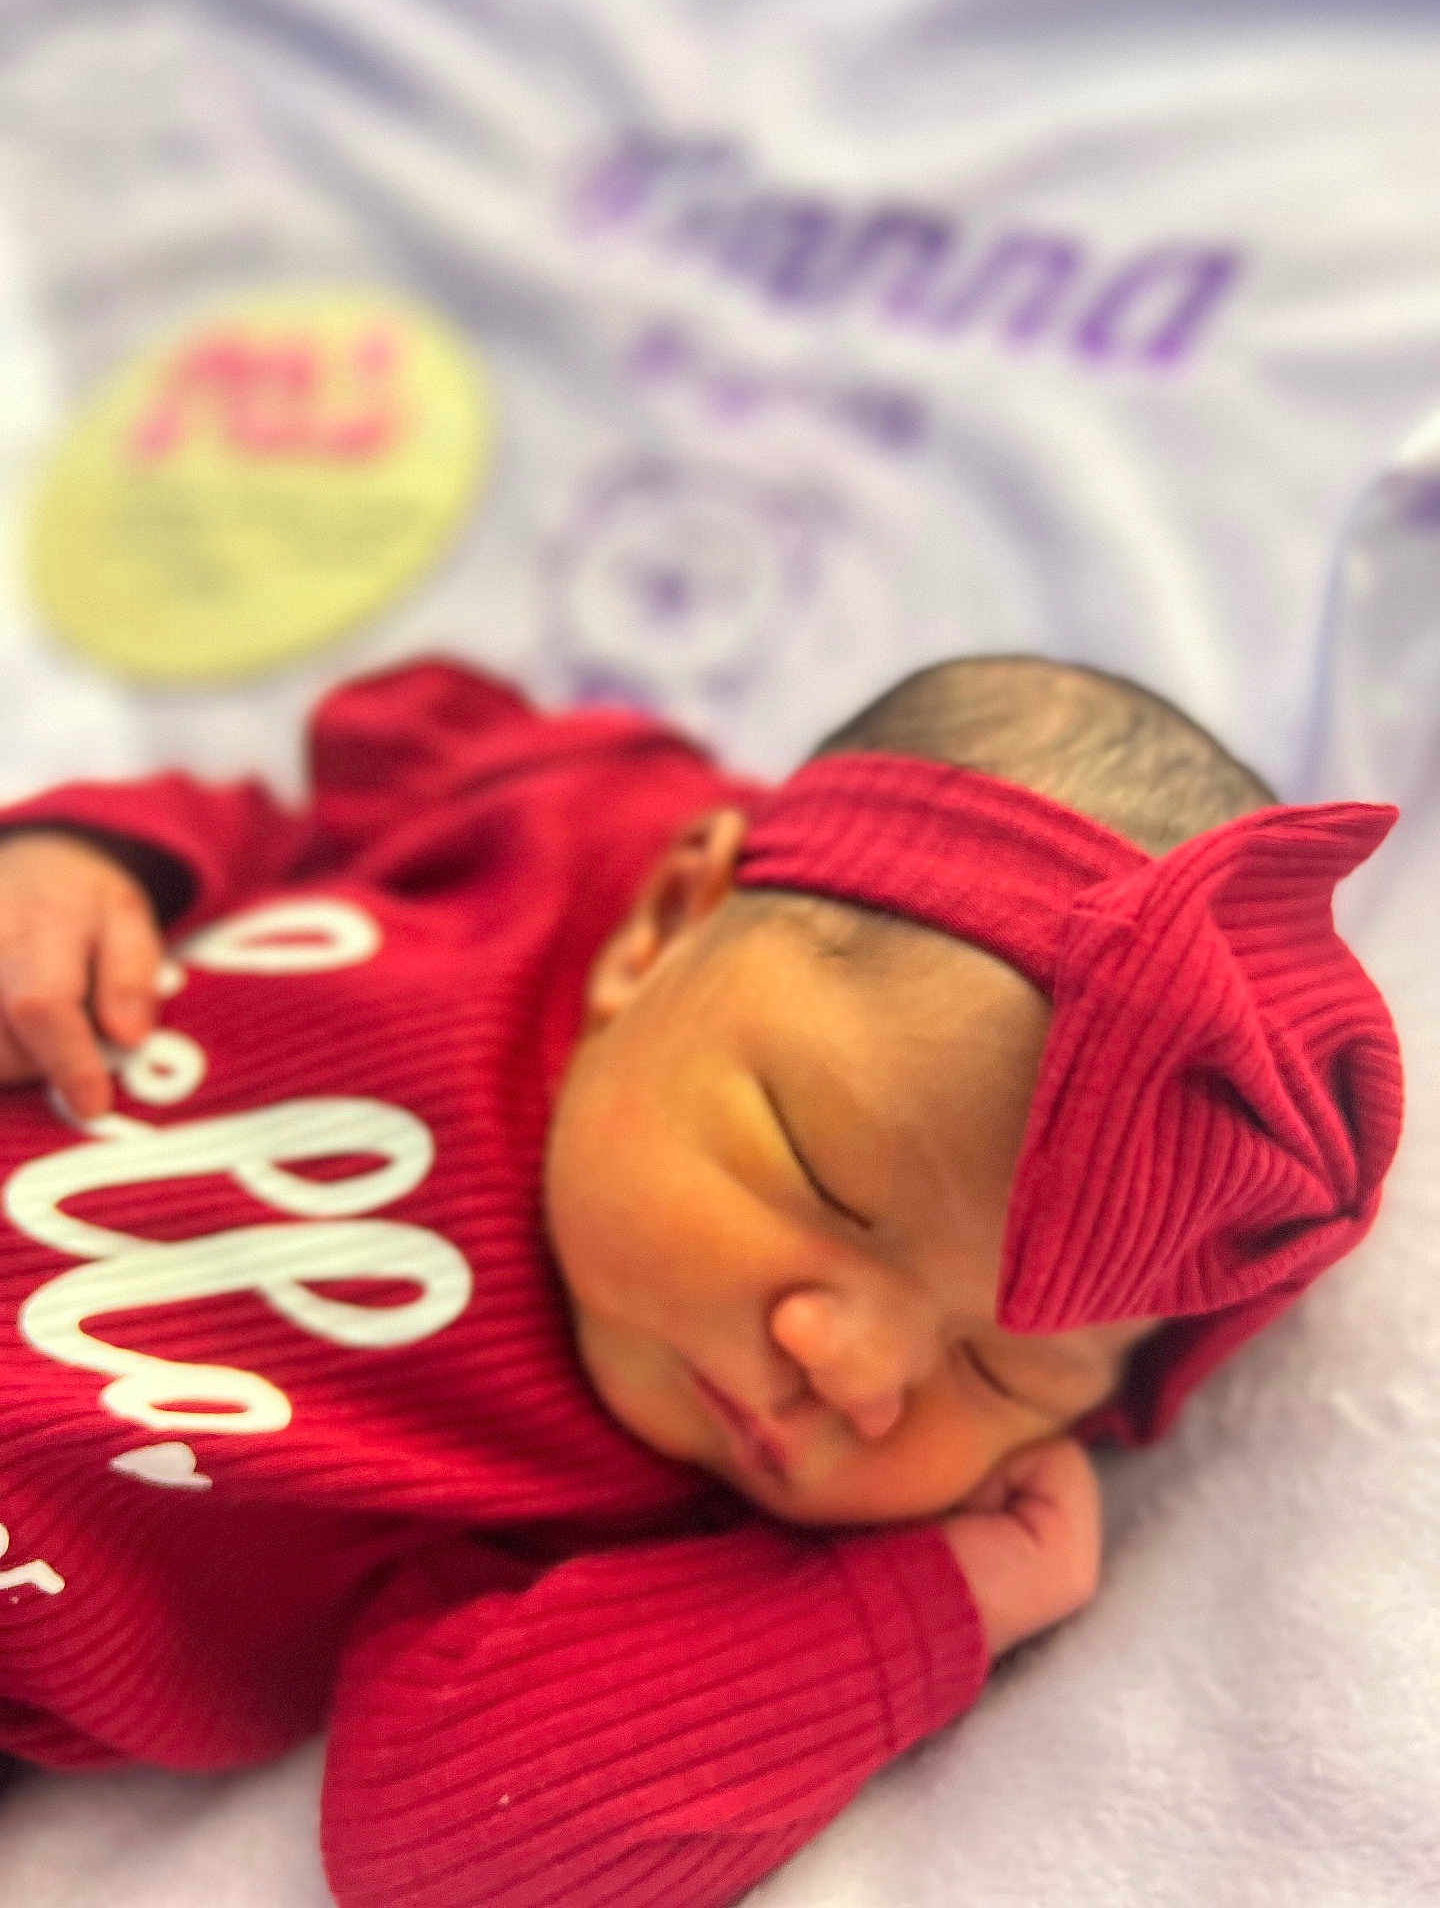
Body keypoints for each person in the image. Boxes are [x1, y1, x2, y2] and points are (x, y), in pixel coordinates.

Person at [0, 652, 1402, 1908]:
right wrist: (83, 863)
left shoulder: (672, 1520)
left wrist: (920, 1611)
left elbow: (444, 1843)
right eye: (823, 1181)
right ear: (668, 924)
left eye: (1000, 1371)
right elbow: (297, 813)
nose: (852, 1368)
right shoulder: (563, 839)